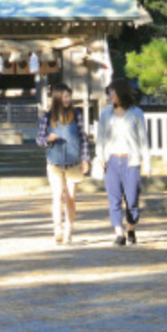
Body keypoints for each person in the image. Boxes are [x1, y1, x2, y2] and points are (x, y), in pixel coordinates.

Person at [95, 77, 151, 246]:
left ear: (121, 92)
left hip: (131, 160)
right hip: (112, 160)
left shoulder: (136, 113)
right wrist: (101, 157)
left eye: (113, 91)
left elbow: (143, 139)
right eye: (110, 92)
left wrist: (147, 162)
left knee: (132, 198)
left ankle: (131, 228)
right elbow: (101, 138)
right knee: (114, 198)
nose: (111, 95)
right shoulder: (105, 113)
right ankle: (119, 233)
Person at [36, 82, 91, 244]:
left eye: (69, 96)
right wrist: (47, 140)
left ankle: (69, 229)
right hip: (54, 162)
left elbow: (84, 138)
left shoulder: (77, 115)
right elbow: (39, 140)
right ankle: (57, 227)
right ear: (58, 97)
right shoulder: (47, 117)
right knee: (57, 195)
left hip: (73, 162)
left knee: (71, 198)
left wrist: (86, 159)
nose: (68, 99)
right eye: (65, 96)